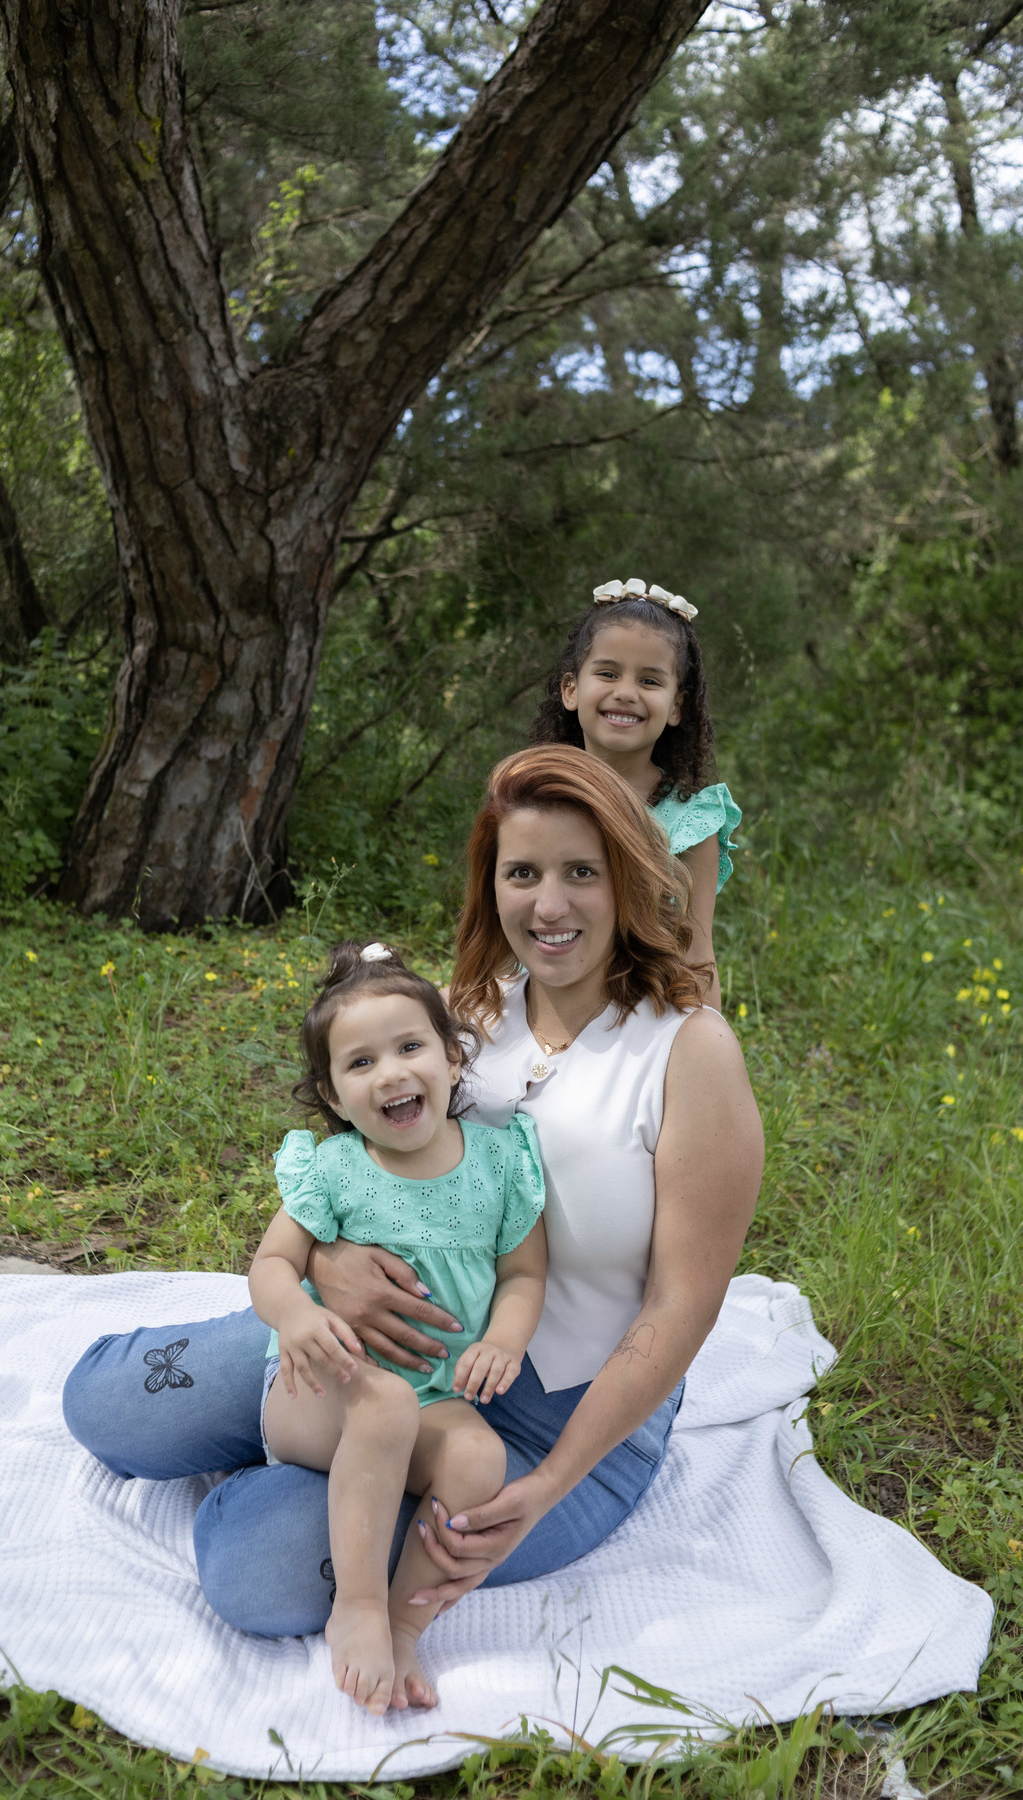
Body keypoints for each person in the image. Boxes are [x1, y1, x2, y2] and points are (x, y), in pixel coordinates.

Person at [62, 747, 763, 1637]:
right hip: (377, 1347)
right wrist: (328, 1263)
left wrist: (551, 1484)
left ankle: (295, 1473)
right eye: (523, 873)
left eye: (582, 872)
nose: (549, 905)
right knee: (106, 1407)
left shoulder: (689, 1051)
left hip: (554, 1426)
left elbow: (684, 1303)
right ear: (491, 882)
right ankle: (308, 1444)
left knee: (257, 1570)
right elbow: (360, 1155)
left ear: (628, 875)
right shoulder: (470, 1011)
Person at [249, 940, 546, 1713]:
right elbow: (272, 1264)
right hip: (325, 1391)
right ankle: (356, 1606)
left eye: (410, 1047)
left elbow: (524, 1275)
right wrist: (295, 1314)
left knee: (480, 1456)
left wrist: (503, 1339)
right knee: (382, 1405)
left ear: (453, 1057)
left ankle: (406, 1624)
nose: (390, 1073)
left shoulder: (499, 1163)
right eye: (361, 1062)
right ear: (334, 1093)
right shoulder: (336, 1169)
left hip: (435, 1394)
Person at [529, 576, 741, 1009]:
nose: (625, 693)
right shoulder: (534, 797)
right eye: (608, 673)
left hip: (639, 1019)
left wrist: (709, 1042)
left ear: (677, 706)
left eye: (649, 681)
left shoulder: (690, 822)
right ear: (571, 689)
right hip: (538, 1009)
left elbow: (696, 954)